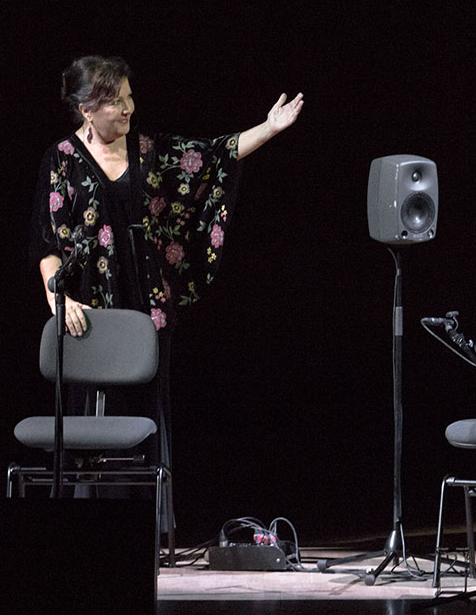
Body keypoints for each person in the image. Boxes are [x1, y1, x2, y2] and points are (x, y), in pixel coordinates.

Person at [30, 55, 303, 525]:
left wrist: (269, 128)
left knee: (145, 410)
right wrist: (59, 298)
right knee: (88, 418)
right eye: (116, 102)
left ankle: (148, 531)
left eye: (129, 97)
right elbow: (47, 244)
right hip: (88, 314)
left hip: (146, 306)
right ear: (87, 109)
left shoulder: (149, 150)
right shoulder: (60, 159)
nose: (128, 108)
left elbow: (214, 155)